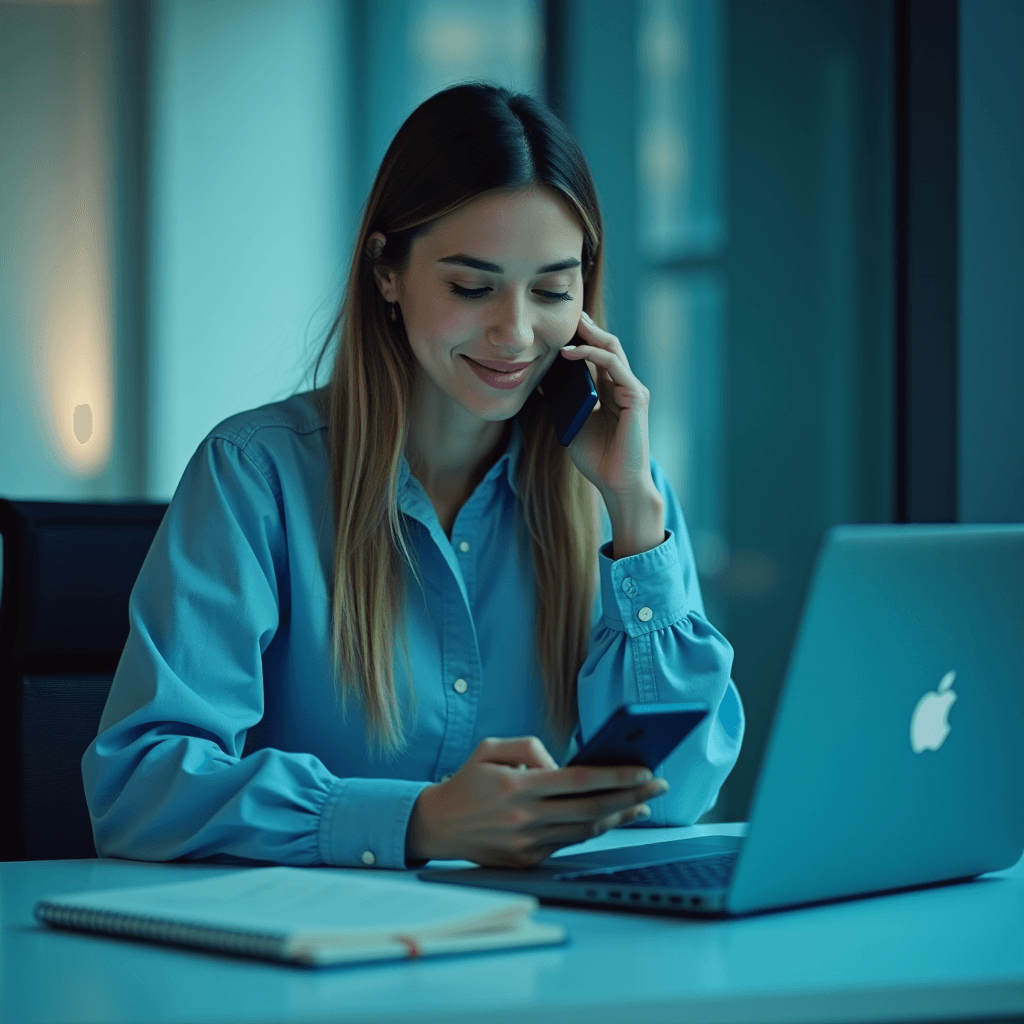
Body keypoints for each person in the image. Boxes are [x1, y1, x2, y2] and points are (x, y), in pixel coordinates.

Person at [82, 82, 745, 871]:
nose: (516, 333)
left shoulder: (617, 485)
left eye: (552, 290)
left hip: (543, 959)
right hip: (307, 968)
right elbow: (138, 788)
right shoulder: (255, 475)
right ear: (386, 272)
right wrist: (415, 822)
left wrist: (635, 514)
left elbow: (675, 789)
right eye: (472, 287)